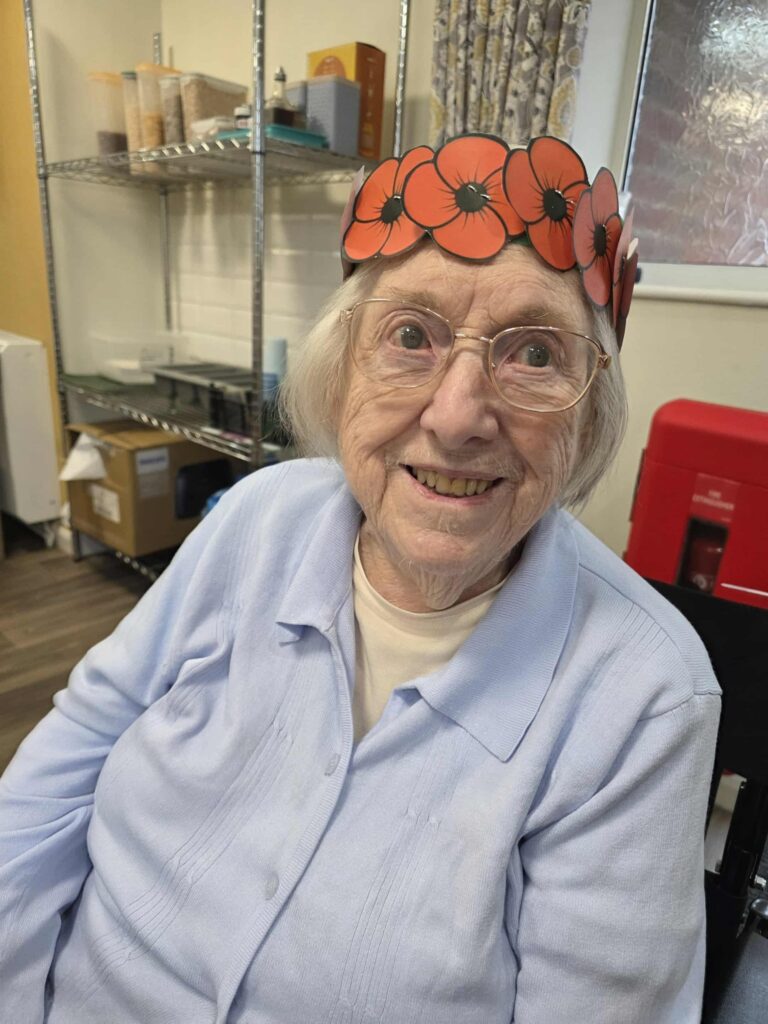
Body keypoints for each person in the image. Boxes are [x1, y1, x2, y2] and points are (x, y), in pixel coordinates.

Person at [0, 134, 719, 1023]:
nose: (456, 417)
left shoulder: (646, 694)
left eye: (535, 354)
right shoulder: (259, 518)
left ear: (591, 411)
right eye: (410, 336)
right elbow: (59, 774)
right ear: (342, 371)